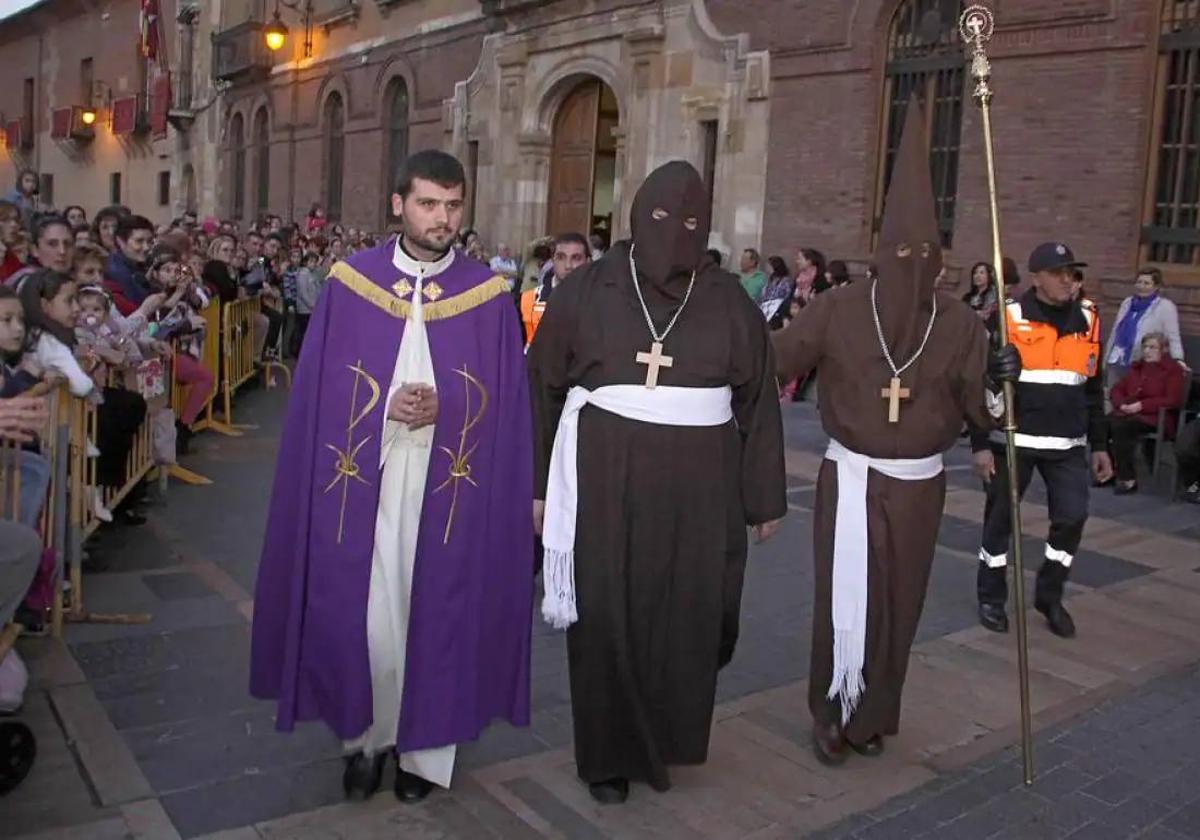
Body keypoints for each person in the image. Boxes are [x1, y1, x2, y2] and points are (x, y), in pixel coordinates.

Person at [250, 150, 534, 805]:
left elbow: (507, 402)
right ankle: (366, 740)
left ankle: (424, 755)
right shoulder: (352, 285)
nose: (442, 218)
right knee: (372, 620)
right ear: (398, 204)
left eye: (453, 206)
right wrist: (383, 410)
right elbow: (320, 394)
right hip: (366, 481)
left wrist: (448, 408)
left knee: (439, 618)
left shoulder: (487, 296)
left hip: (450, 485)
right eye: (429, 204)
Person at [528, 161, 787, 803]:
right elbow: (540, 391)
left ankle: (668, 736)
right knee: (608, 615)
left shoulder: (728, 300)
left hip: (703, 492)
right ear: (637, 216)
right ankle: (608, 758)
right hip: (603, 481)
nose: (676, 234)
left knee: (695, 613)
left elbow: (759, 402)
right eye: (663, 219)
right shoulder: (585, 290)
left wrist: (764, 500)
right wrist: (537, 488)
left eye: (692, 223)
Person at [772, 101, 1016, 766]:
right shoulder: (838, 308)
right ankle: (831, 711)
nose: (912, 266)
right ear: (880, 255)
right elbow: (777, 362)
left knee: (900, 599)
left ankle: (874, 711)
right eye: (899, 252)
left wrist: (1002, 375)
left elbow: (984, 411)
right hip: (848, 475)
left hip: (916, 487)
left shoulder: (962, 325)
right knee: (840, 595)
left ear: (939, 260)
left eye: (924, 255)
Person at [974, 241, 1112, 640]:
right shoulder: (1009, 317)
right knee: (999, 524)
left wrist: (1100, 444)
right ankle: (991, 596)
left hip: (1067, 445)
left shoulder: (1088, 317)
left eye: (1073, 272)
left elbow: (1092, 386)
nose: (1069, 280)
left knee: (1071, 519)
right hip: (1013, 441)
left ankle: (1050, 595)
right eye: (1060, 273)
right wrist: (981, 442)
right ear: (1037, 278)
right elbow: (980, 386)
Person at [1106, 332, 1186, 494]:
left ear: (1164, 350)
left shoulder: (1172, 370)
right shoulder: (1138, 367)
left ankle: (1127, 478)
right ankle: (1107, 471)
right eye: (1145, 347)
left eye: (1152, 347)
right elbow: (1117, 389)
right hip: (1128, 412)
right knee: (1103, 423)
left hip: (1157, 418)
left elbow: (1172, 400)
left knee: (1122, 426)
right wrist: (1121, 404)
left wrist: (1141, 405)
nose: (1147, 351)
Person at [1104, 267, 1186, 388]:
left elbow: (1173, 336)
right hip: (1117, 356)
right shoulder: (1127, 302)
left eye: (1146, 283)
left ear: (1156, 286)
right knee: (1113, 393)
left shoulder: (1165, 307)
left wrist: (1178, 359)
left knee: (1133, 396)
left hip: (1142, 361)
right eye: (1139, 282)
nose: (1141, 286)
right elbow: (1116, 329)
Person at [519, 232, 589, 349]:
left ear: (587, 261)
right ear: (552, 260)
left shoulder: (601, 302)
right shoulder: (528, 300)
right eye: (561, 257)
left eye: (576, 258)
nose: (568, 265)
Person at [105, 215, 156, 311]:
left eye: (150, 241)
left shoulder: (140, 265)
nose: (146, 247)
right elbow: (140, 305)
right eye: (139, 241)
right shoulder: (117, 272)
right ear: (120, 241)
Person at [202, 235, 240, 304]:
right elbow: (227, 293)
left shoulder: (229, 268)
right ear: (216, 251)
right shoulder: (214, 266)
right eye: (225, 250)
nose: (229, 253)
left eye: (232, 250)